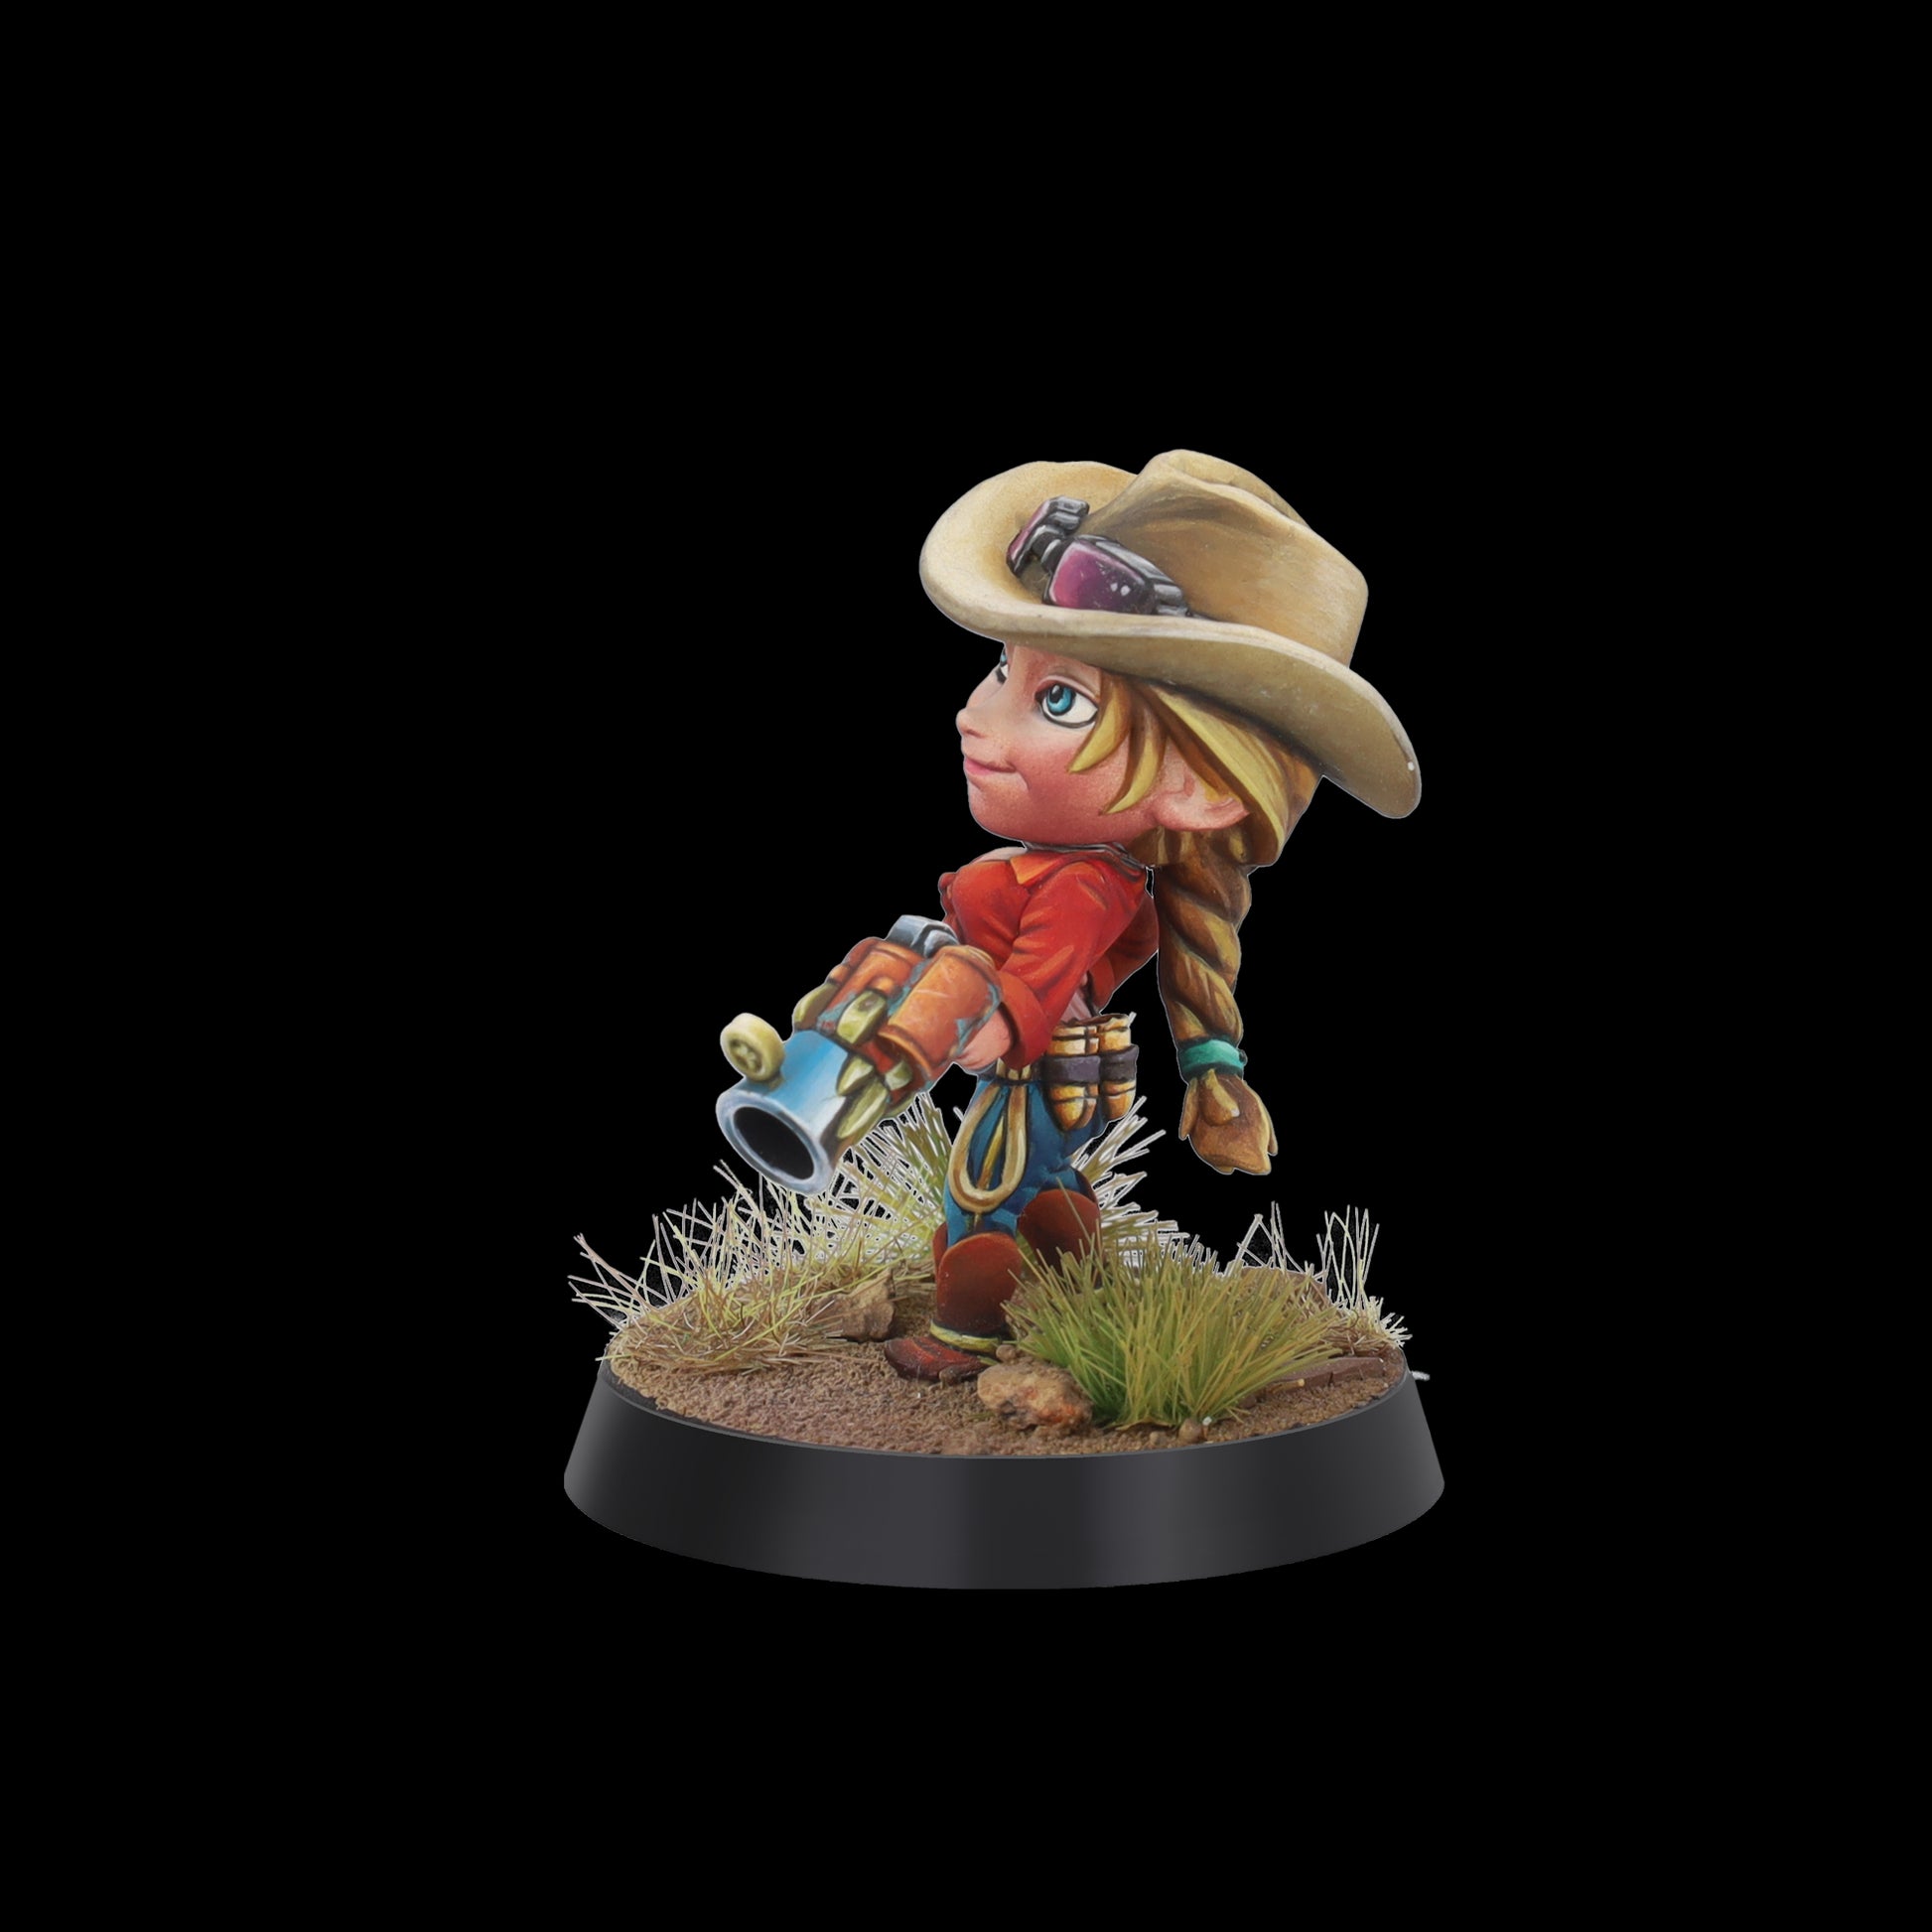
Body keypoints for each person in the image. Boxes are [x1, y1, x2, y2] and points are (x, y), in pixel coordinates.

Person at [880, 450, 1422, 1382]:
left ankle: (967, 1334)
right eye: (1003, 669)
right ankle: (1073, 1275)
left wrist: (970, 1029)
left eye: (1057, 700)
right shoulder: (1070, 872)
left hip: (1036, 1066)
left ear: (1199, 789)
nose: (975, 714)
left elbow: (1035, 989)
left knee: (982, 1189)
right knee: (1042, 1179)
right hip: (1064, 1072)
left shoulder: (1080, 889)